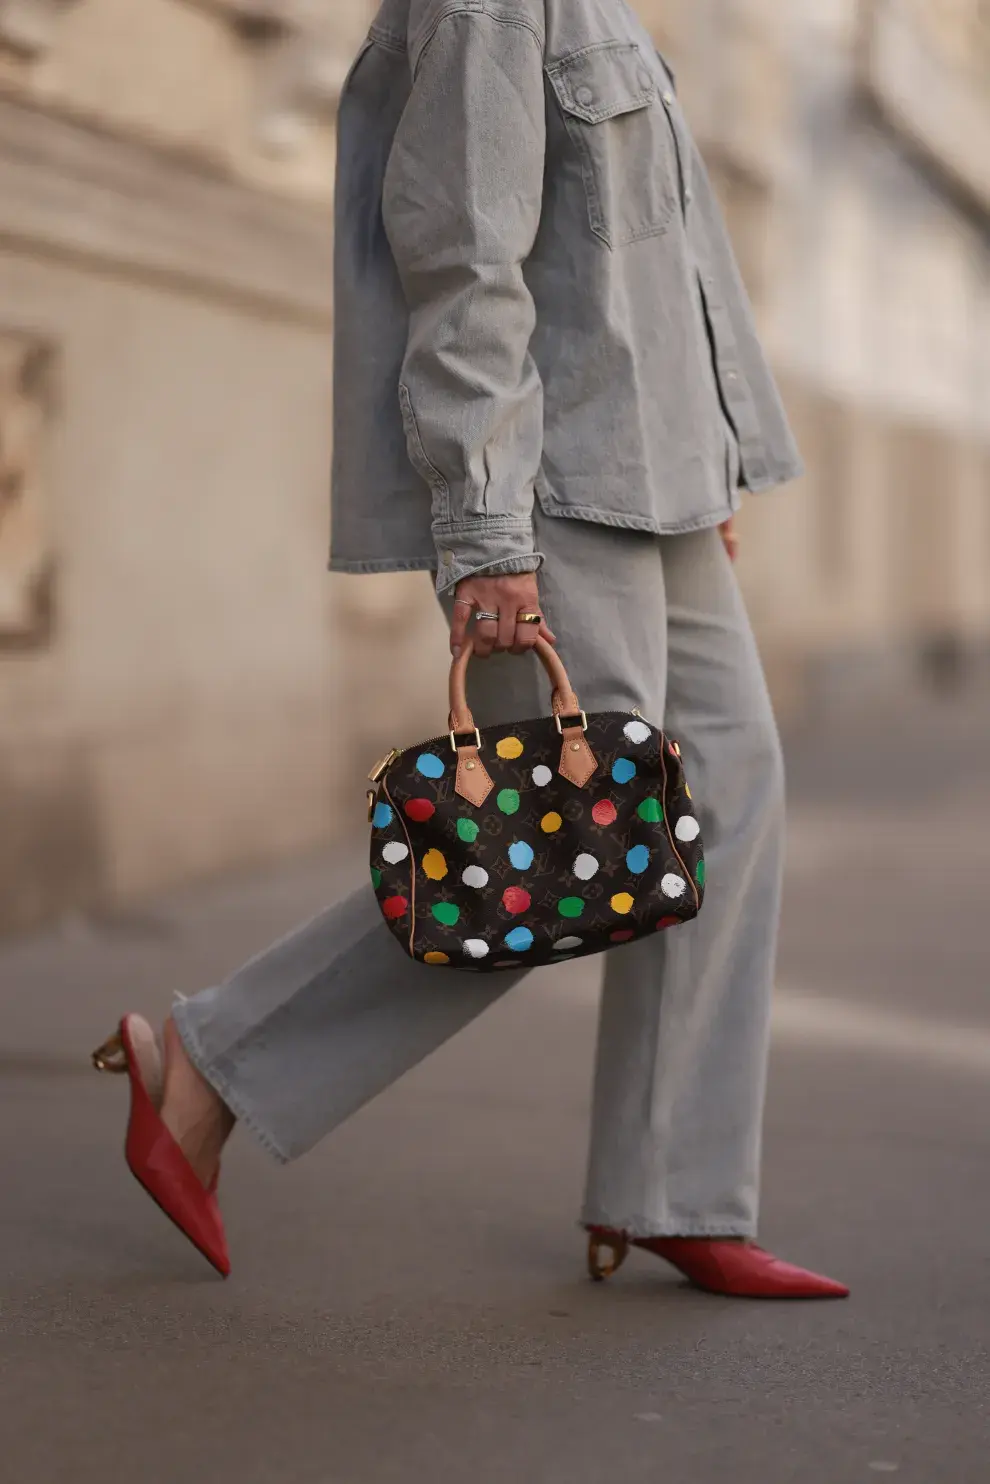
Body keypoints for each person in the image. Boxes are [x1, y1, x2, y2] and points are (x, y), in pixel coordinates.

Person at [93, 0, 848, 1299]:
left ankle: (672, 1188)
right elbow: (459, 261)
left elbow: (653, 264)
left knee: (728, 801)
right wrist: (486, 531)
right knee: (568, 841)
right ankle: (208, 1069)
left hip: (659, 473)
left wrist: (711, 452)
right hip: (548, 487)